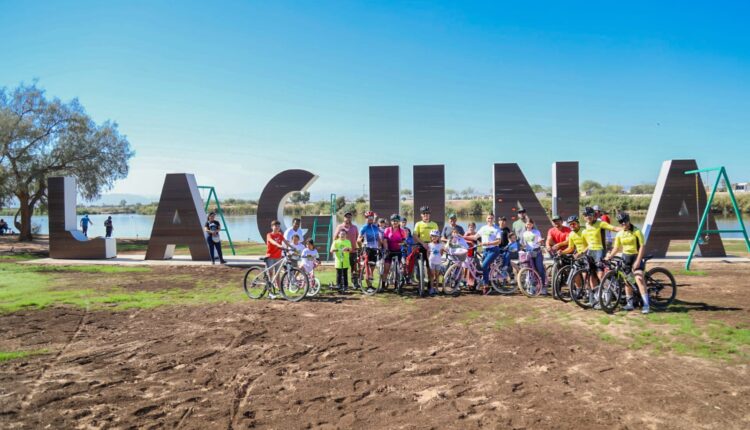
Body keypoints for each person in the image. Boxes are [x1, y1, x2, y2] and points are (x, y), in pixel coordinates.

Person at [605, 212, 650, 314]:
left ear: (629, 220)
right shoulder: (620, 234)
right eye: (621, 222)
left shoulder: (637, 231)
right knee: (627, 281)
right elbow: (616, 247)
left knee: (639, 279)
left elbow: (642, 246)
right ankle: (630, 304)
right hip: (626, 258)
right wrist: (610, 256)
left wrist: (638, 261)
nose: (623, 224)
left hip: (636, 256)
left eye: (625, 221)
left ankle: (646, 305)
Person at [582, 206, 621, 307]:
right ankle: (596, 298)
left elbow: (613, 228)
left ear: (594, 215)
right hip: (590, 251)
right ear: (584, 217)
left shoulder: (600, 223)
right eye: (586, 215)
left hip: (599, 250)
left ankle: (607, 296)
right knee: (591, 275)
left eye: (590, 215)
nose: (588, 217)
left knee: (600, 274)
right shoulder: (586, 225)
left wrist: (625, 229)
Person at [468, 214, 504, 294]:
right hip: (485, 250)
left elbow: (499, 241)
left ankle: (486, 286)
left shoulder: (496, 228)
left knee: (484, 265)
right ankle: (486, 284)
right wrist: (462, 237)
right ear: (486, 219)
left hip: (494, 250)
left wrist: (488, 243)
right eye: (488, 218)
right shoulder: (483, 228)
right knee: (484, 268)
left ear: (493, 219)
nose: (489, 219)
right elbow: (474, 237)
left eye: (491, 218)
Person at [412, 206, 439, 288]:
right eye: (424, 213)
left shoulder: (434, 224)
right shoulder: (418, 224)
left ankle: (430, 285)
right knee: (419, 266)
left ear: (429, 214)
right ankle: (420, 282)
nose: (426, 215)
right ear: (421, 215)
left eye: (427, 213)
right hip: (421, 245)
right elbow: (415, 235)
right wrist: (423, 243)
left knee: (429, 267)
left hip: (431, 246)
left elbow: (437, 236)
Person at [520, 218, 547, 294]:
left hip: (536, 252)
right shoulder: (524, 233)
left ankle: (543, 286)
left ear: (532, 224)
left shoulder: (536, 232)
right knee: (530, 269)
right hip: (528, 253)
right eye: (527, 224)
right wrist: (522, 247)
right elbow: (523, 244)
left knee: (539, 268)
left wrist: (540, 241)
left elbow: (539, 239)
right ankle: (533, 286)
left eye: (530, 224)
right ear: (525, 224)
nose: (528, 225)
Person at [265, 220, 291, 298]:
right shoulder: (269, 235)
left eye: (278, 226)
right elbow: (272, 241)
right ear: (272, 227)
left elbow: (286, 242)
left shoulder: (280, 234)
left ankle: (280, 291)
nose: (277, 227)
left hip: (278, 257)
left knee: (277, 275)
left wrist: (292, 248)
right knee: (270, 274)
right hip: (270, 257)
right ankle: (269, 292)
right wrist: (278, 245)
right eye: (275, 226)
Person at [382, 214, 408, 285]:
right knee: (386, 269)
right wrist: (386, 249)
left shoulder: (402, 231)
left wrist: (402, 244)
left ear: (399, 222)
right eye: (393, 221)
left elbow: (404, 241)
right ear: (391, 222)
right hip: (389, 250)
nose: (395, 222)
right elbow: (385, 240)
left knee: (397, 270)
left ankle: (397, 284)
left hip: (398, 251)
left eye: (396, 221)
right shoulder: (387, 230)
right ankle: (383, 284)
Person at [335, 212, 359, 284]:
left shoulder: (355, 227)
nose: (348, 218)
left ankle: (354, 283)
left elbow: (358, 238)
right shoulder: (340, 227)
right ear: (344, 218)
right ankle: (341, 284)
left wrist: (359, 247)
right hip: (343, 252)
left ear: (351, 218)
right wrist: (337, 249)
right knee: (342, 268)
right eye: (346, 217)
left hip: (353, 251)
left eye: (349, 217)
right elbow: (335, 238)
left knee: (354, 268)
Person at [358, 211, 381, 283]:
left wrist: (380, 247)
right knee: (367, 267)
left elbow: (378, 238)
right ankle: (368, 286)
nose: (370, 219)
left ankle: (370, 283)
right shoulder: (364, 228)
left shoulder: (376, 227)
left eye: (371, 217)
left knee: (372, 268)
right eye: (368, 218)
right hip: (367, 248)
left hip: (375, 249)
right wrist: (361, 248)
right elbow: (358, 240)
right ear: (366, 218)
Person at [427, 230, 444, 296]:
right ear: (431, 237)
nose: (434, 238)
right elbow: (428, 253)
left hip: (438, 262)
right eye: (433, 236)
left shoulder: (441, 245)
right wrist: (429, 259)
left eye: (436, 236)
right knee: (432, 276)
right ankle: (431, 288)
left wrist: (439, 257)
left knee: (437, 276)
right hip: (432, 262)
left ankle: (436, 288)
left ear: (438, 237)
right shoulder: (429, 245)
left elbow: (442, 253)